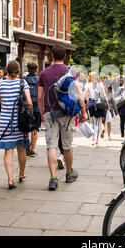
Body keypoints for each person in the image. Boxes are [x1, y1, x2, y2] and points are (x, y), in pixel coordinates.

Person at [38, 45, 87, 191]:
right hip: (67, 113)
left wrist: (42, 113)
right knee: (67, 146)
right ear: (65, 55)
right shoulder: (71, 72)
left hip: (50, 112)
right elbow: (78, 92)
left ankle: (53, 178)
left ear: (51, 56)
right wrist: (83, 111)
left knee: (51, 145)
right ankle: (69, 173)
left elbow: (40, 97)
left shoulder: (44, 73)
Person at [0, 61, 32, 190]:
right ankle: (21, 173)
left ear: (6, 71)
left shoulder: (0, 83)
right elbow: (29, 102)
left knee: (8, 150)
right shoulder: (22, 82)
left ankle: (10, 178)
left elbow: (1, 102)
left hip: (4, 121)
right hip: (20, 121)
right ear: (19, 71)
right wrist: (30, 116)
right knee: (21, 148)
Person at [84, 72, 109, 147]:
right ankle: (96, 141)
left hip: (91, 103)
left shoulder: (88, 85)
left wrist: (86, 103)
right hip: (99, 103)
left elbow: (85, 96)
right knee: (98, 123)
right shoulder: (100, 84)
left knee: (92, 122)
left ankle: (93, 139)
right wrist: (107, 104)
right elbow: (104, 95)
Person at [24, 62, 40, 157]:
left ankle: (26, 145)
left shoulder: (24, 80)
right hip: (36, 107)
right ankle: (33, 149)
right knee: (35, 128)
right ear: (37, 69)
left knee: (25, 128)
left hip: (26, 107)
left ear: (27, 69)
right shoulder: (39, 80)